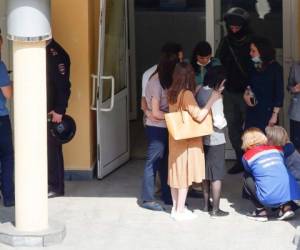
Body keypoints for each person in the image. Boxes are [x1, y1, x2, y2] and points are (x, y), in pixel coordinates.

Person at [167, 62, 221, 221]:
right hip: (186, 140)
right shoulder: (187, 94)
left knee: (175, 173)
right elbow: (198, 115)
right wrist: (212, 100)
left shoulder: (171, 92)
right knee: (183, 175)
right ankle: (181, 210)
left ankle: (175, 207)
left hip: (175, 138)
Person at [215, 7, 253, 174]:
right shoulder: (226, 42)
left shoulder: (252, 41)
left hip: (248, 92)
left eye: (237, 27)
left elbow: (258, 65)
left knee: (251, 129)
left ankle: (251, 161)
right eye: (232, 26)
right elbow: (218, 62)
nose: (234, 29)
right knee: (233, 128)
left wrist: (253, 87)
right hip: (230, 92)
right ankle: (240, 159)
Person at [140, 47, 177, 211]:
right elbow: (154, 113)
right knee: (153, 162)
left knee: (166, 162)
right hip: (156, 128)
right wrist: (174, 116)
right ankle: (147, 199)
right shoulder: (155, 82)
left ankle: (168, 196)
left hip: (165, 126)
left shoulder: (167, 80)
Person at [241, 128, 300, 221]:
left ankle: (261, 212)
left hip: (271, 197)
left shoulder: (247, 156)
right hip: (293, 193)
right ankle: (286, 208)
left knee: (247, 176)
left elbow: (250, 171)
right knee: (279, 171)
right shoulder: (278, 149)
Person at [196, 66, 228, 217]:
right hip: (215, 138)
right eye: (223, 82)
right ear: (217, 82)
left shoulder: (200, 90)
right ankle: (215, 209)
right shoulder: (216, 96)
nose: (224, 85)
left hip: (202, 137)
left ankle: (205, 206)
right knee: (216, 174)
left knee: (205, 173)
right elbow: (219, 121)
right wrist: (226, 122)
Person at [47, 39, 71, 198]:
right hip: (44, 108)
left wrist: (59, 110)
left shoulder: (55, 54)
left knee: (52, 150)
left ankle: (55, 187)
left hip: (52, 112)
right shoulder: (44, 50)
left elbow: (63, 85)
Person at [243, 36, 284, 131]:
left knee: (266, 141)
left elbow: (279, 94)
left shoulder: (275, 68)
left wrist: (275, 115)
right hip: (253, 109)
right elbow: (249, 84)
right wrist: (247, 93)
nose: (250, 53)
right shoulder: (255, 64)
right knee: (251, 140)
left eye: (253, 51)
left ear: (262, 51)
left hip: (268, 112)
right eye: (250, 50)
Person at [0, 28, 14, 207]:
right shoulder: (0, 66)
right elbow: (8, 93)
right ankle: (9, 197)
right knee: (7, 157)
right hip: (1, 119)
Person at [287, 62, 300, 152]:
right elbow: (289, 86)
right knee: (296, 142)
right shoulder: (295, 66)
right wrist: (294, 89)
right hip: (297, 111)